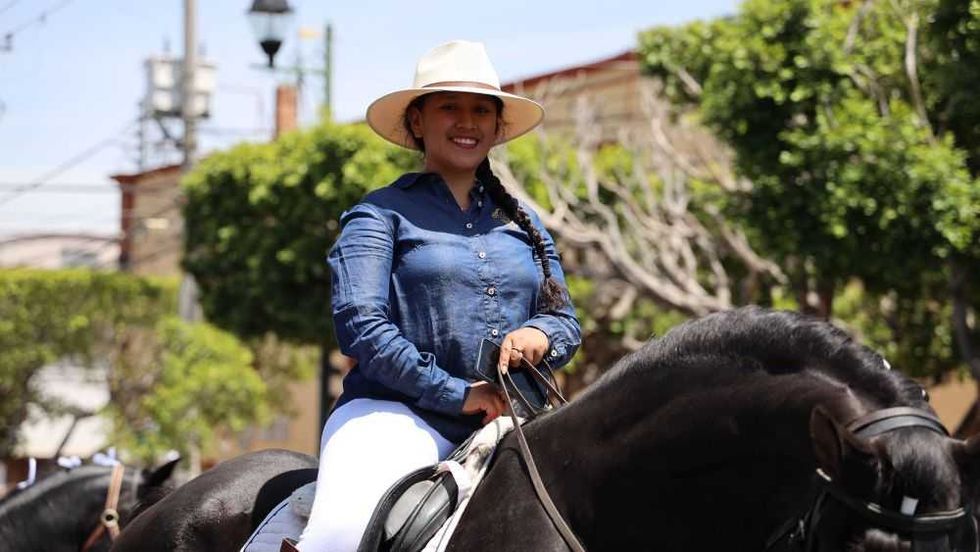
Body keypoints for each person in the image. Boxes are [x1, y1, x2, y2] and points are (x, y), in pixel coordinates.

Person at [295, 40, 581, 552]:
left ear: (496, 127)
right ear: (418, 121)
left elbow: (564, 320)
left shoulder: (524, 222)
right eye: (449, 106)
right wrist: (460, 393)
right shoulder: (377, 215)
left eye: (481, 110)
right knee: (338, 536)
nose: (466, 121)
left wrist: (540, 333)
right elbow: (362, 328)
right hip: (396, 418)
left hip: (521, 420)